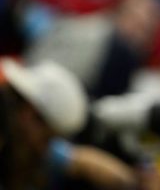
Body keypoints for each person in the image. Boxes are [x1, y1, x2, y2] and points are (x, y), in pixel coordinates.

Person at [0, 58, 138, 190]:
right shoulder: (15, 139)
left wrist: (134, 182)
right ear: (30, 114)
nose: (45, 149)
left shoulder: (21, 134)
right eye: (47, 139)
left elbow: (85, 162)